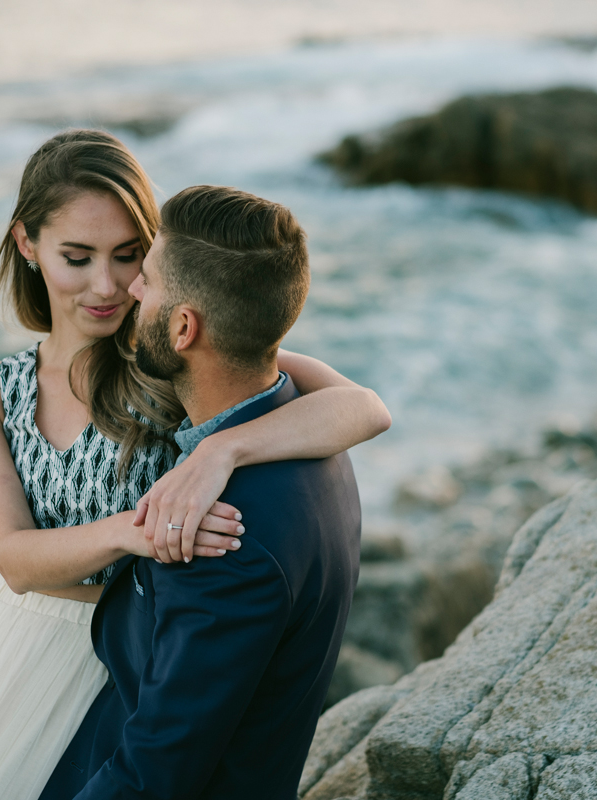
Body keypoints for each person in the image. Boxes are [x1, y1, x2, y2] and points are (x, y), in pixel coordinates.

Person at [0, 132, 389, 800]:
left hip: (151, 656)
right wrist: (138, 532)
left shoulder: (174, 356)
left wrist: (226, 450)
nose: (107, 286)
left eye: (128, 255)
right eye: (76, 258)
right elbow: (15, 560)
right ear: (27, 245)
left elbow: (364, 408)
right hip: (18, 655)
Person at [40, 185, 361, 800]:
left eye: (149, 281)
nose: (131, 289)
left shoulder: (217, 536)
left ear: (183, 327)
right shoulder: (313, 433)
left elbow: (150, 779)